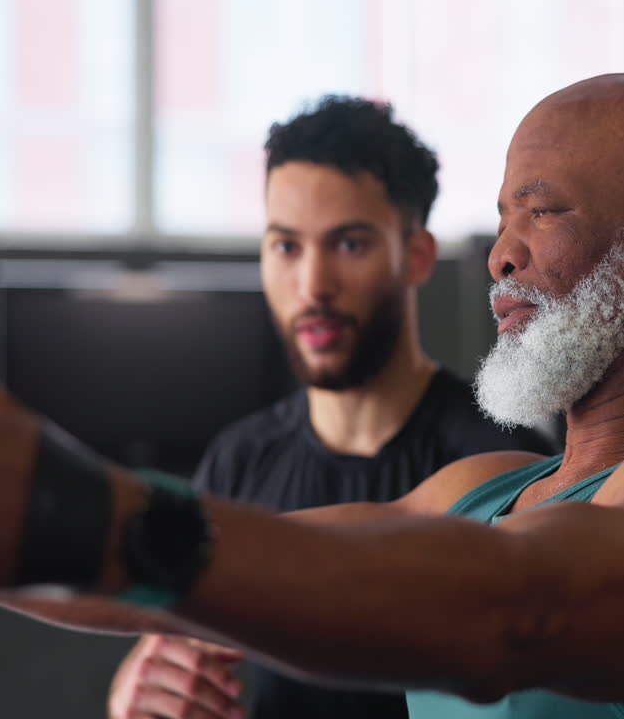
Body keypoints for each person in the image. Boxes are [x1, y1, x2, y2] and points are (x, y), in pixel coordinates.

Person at [0, 73, 624, 718]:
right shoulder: (481, 491)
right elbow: (238, 574)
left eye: (543, 211)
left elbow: (506, 613)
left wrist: (84, 511)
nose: (502, 256)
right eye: (500, 217)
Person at [108, 96, 552, 719]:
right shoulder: (238, 462)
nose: (313, 286)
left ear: (416, 255)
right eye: (286, 247)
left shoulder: (500, 463)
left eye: (348, 244)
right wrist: (142, 695)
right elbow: (177, 655)